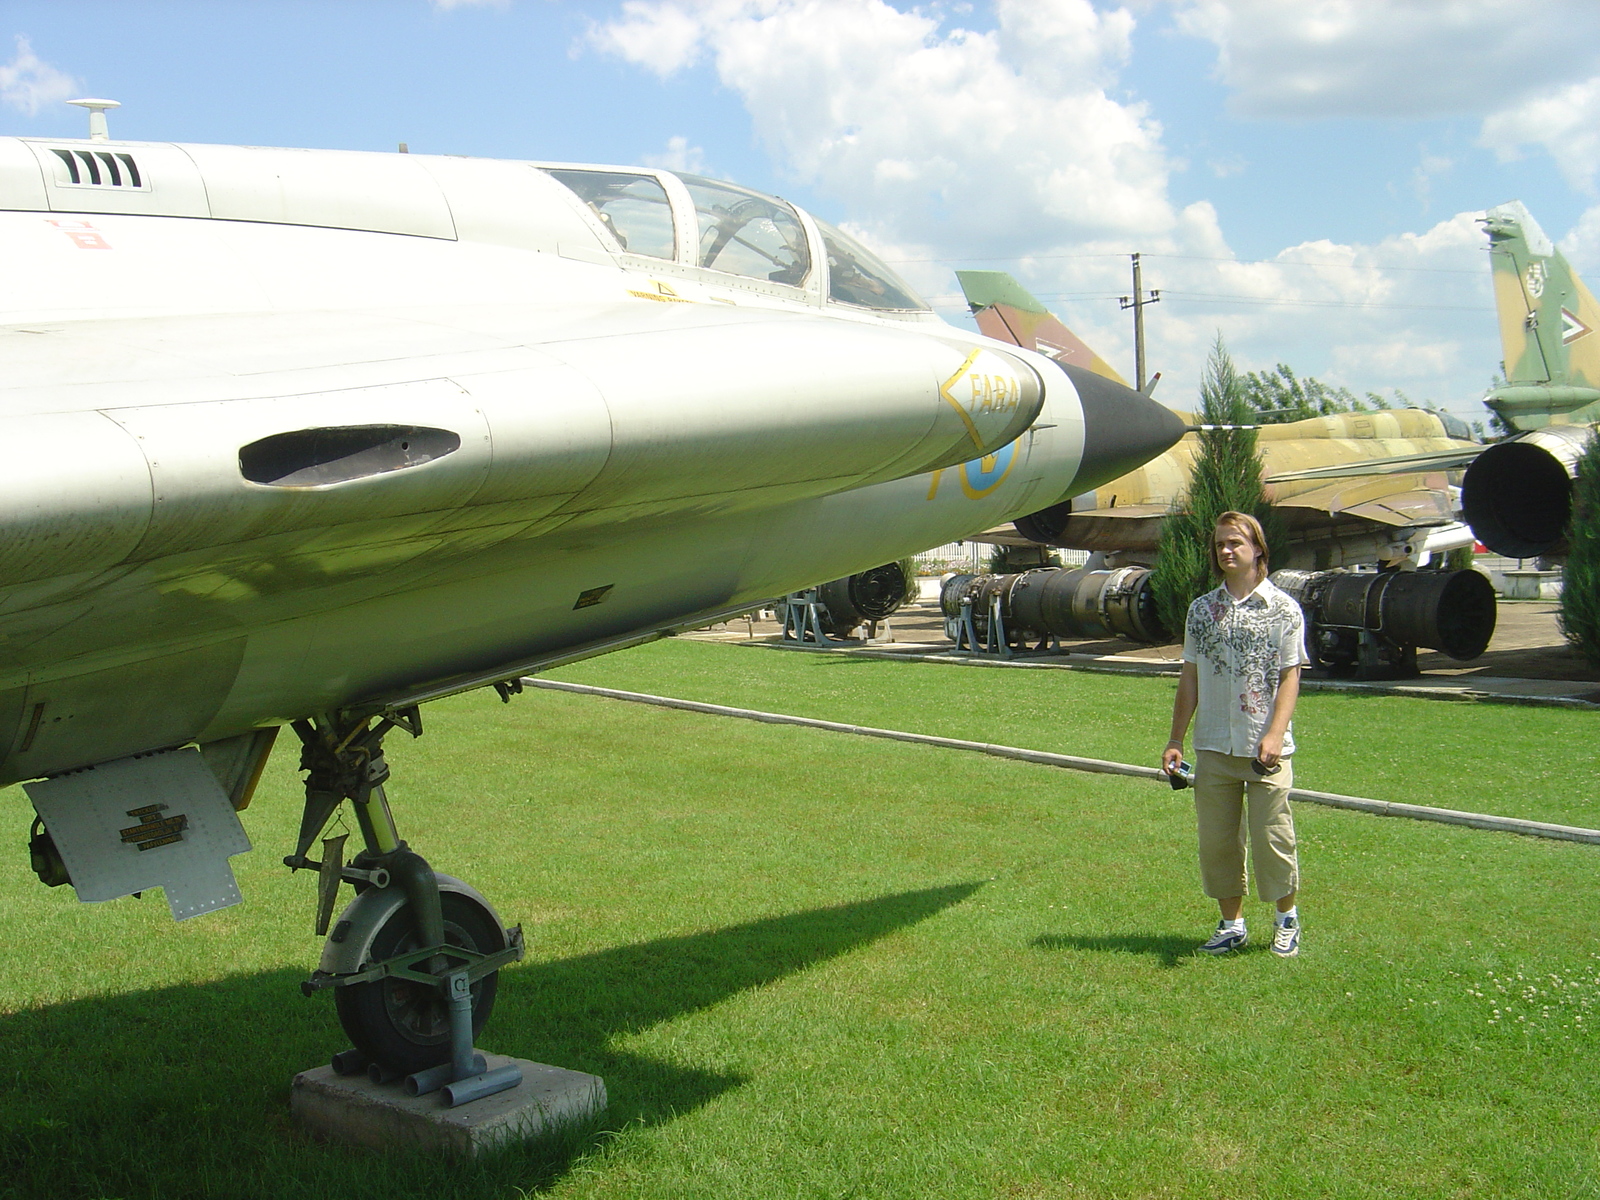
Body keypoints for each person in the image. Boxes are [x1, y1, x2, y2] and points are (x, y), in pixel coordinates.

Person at [1162, 511, 1308, 957]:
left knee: (1273, 840)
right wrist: (1175, 740)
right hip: (1213, 747)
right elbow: (1190, 677)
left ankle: (1287, 921)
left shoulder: (1283, 609)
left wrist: (1273, 733)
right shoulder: (1201, 611)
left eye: (1235, 543)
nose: (1227, 550)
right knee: (1218, 842)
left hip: (1265, 750)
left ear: (1257, 549)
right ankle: (1232, 925)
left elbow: (1290, 676)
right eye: (1221, 544)